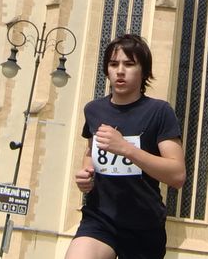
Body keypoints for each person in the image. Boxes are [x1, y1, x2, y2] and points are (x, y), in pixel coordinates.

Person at [65, 34, 186, 259]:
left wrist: (126, 148)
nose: (120, 71)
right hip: (99, 219)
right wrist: (86, 176)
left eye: (129, 64)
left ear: (144, 71)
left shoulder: (160, 112)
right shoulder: (94, 110)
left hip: (144, 226)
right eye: (113, 64)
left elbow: (177, 175)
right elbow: (91, 152)